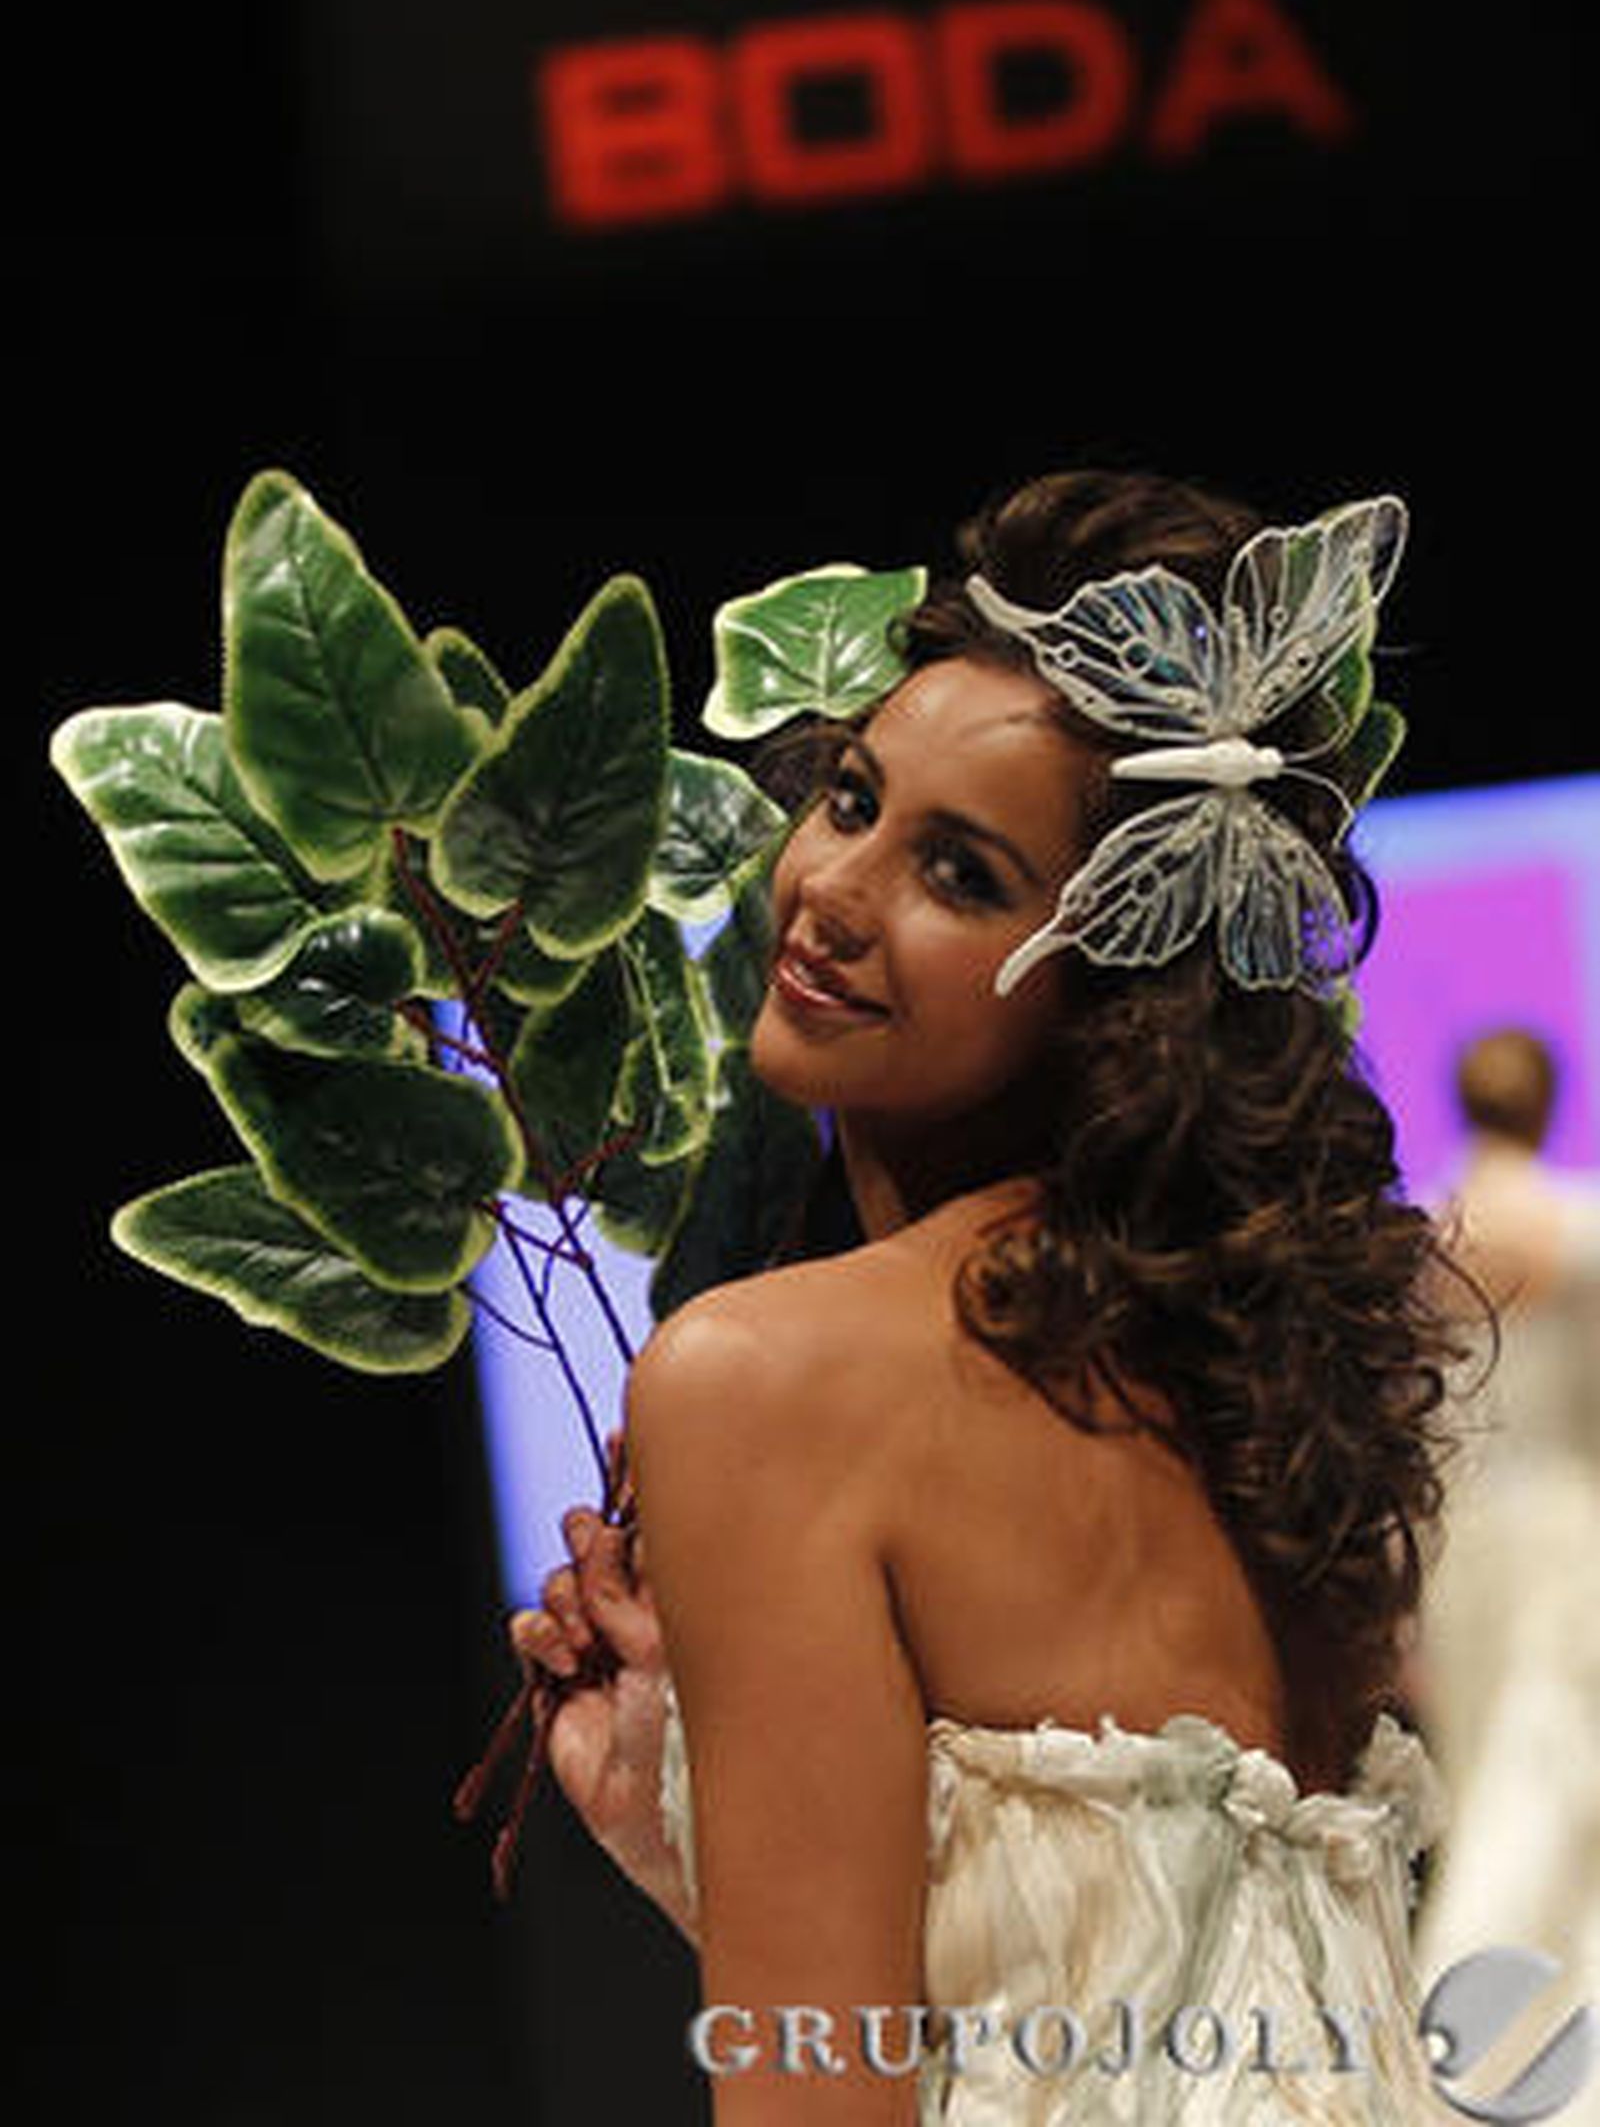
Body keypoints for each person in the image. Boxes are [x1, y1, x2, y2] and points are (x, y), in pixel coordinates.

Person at [509, 471, 1469, 2124]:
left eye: (959, 873)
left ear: (1116, 980)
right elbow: (1163, 2020)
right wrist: (714, 1834)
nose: (832, 884)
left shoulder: (762, 1376)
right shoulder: (1267, 1400)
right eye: (853, 796)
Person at [1411, 1029, 1600, 2118]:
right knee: (1548, 1785)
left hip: (1461, 1542)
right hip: (1567, 1534)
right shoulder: (1578, 1233)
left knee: (1489, 1769)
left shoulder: (1429, 1241)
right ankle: (1491, 2029)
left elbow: (1422, 1426)